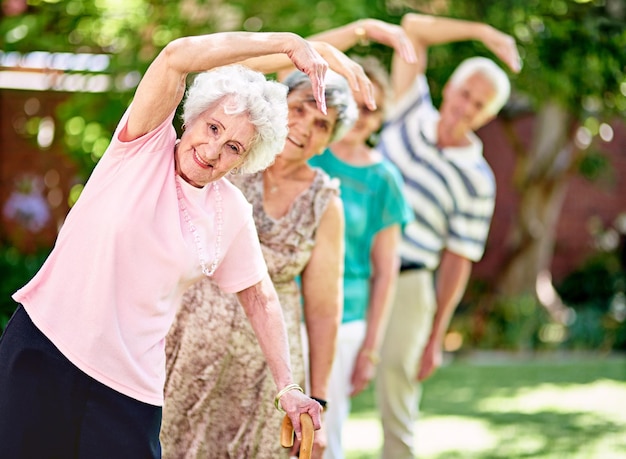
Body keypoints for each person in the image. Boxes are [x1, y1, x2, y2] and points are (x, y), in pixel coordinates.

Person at [0, 31, 372, 458]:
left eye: (234, 146)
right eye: (212, 127)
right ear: (191, 117)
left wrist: (289, 385)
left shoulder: (229, 209)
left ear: (246, 159)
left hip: (129, 387)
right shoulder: (141, 146)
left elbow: (260, 296)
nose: (213, 150)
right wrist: (287, 43)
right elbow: (177, 56)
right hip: (45, 348)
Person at [160, 69, 356, 459]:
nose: (304, 127)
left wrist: (318, 399)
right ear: (280, 108)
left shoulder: (324, 203)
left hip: (266, 376)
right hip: (182, 352)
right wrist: (308, 52)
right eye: (299, 109)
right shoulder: (223, 158)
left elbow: (322, 311)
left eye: (322, 124)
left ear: (326, 144)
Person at [369, 14, 521, 458]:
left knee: (397, 393)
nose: (466, 107)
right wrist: (482, 32)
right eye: (466, 93)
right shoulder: (408, 106)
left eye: (480, 105)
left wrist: (436, 334)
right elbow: (411, 29)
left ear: (488, 116)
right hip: (350, 264)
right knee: (325, 378)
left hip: (410, 281)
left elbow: (458, 260)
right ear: (450, 88)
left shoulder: (478, 179)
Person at [306, 56, 414, 459]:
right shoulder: (308, 152)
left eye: (376, 107)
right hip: (284, 308)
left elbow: (387, 272)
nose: (367, 115)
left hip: (344, 320)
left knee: (322, 434)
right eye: (359, 101)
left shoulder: (384, 179)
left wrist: (370, 348)